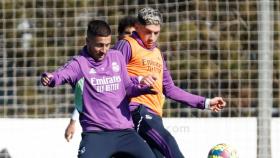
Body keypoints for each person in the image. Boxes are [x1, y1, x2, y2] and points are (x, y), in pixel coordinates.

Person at [113, 7, 226, 158]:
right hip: (135, 110)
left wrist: (205, 102)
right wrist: (138, 80)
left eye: (156, 32)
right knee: (170, 145)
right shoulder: (126, 45)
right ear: (137, 27)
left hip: (154, 114)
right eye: (148, 31)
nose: (152, 37)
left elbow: (170, 89)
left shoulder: (157, 53)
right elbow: (111, 75)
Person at [41, 19, 157, 158]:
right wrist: (49, 78)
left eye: (107, 45)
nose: (104, 50)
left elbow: (127, 88)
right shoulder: (79, 64)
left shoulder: (117, 57)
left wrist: (142, 89)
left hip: (126, 133)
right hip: (96, 135)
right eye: (99, 45)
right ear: (88, 41)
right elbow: (59, 75)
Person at [64, 16, 138, 142]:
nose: (130, 37)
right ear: (119, 36)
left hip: (135, 115)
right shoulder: (106, 58)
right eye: (127, 33)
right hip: (112, 125)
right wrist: (73, 120)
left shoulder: (138, 56)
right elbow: (84, 95)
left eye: (134, 34)